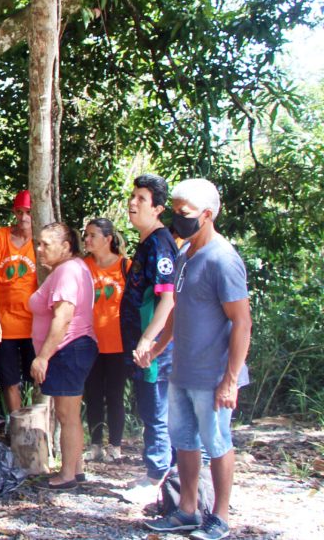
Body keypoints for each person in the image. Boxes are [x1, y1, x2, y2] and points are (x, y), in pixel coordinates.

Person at [141, 179, 251, 540]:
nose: (177, 217)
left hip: (212, 374)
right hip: (181, 370)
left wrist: (230, 379)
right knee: (184, 440)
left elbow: (241, 322)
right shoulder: (185, 254)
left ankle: (218, 517)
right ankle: (187, 509)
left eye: (183, 212)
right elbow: (177, 310)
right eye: (174, 209)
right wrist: (158, 348)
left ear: (207, 215)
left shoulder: (223, 259)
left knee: (216, 442)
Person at [29, 222, 98, 489]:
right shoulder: (70, 268)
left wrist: (43, 357)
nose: (39, 249)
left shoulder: (68, 271)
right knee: (68, 414)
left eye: (46, 244)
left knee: (67, 415)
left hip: (68, 349)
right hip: (72, 349)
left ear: (66, 247)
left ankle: (67, 475)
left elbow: (64, 316)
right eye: (39, 243)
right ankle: (75, 468)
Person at [122, 174, 178, 500]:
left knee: (155, 410)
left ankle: (159, 479)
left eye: (141, 199)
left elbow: (168, 299)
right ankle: (163, 478)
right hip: (143, 347)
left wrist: (148, 341)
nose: (133, 203)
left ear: (157, 208)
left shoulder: (160, 243)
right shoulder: (147, 242)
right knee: (149, 407)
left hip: (154, 350)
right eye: (133, 196)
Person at [0, 190, 38, 416]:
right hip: (4, 323)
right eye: (19, 212)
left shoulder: (42, 241)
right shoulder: (1, 236)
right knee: (9, 380)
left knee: (38, 378)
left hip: (34, 323)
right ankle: (17, 429)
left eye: (29, 212)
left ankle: (39, 427)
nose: (23, 217)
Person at [82, 217, 128, 463]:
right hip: (91, 342)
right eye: (86, 235)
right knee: (93, 394)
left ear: (108, 239)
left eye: (92, 235)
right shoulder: (83, 265)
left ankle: (115, 445)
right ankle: (96, 444)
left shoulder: (126, 266)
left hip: (118, 343)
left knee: (114, 394)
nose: (87, 240)